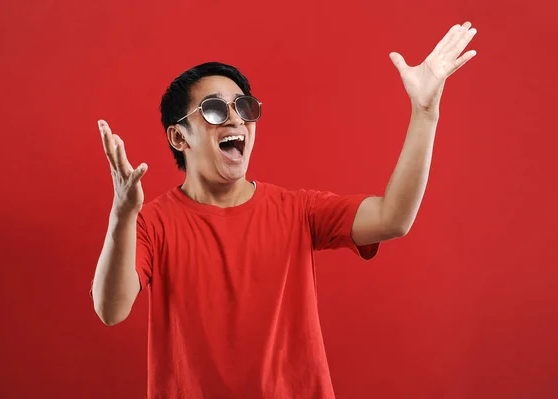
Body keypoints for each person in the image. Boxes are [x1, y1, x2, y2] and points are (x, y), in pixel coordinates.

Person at [90, 21, 477, 399]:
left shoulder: (298, 211)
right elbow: (111, 310)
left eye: (243, 106)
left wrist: (425, 114)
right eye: (213, 110)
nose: (235, 118)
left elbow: (393, 218)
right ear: (179, 136)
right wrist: (121, 215)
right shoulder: (151, 223)